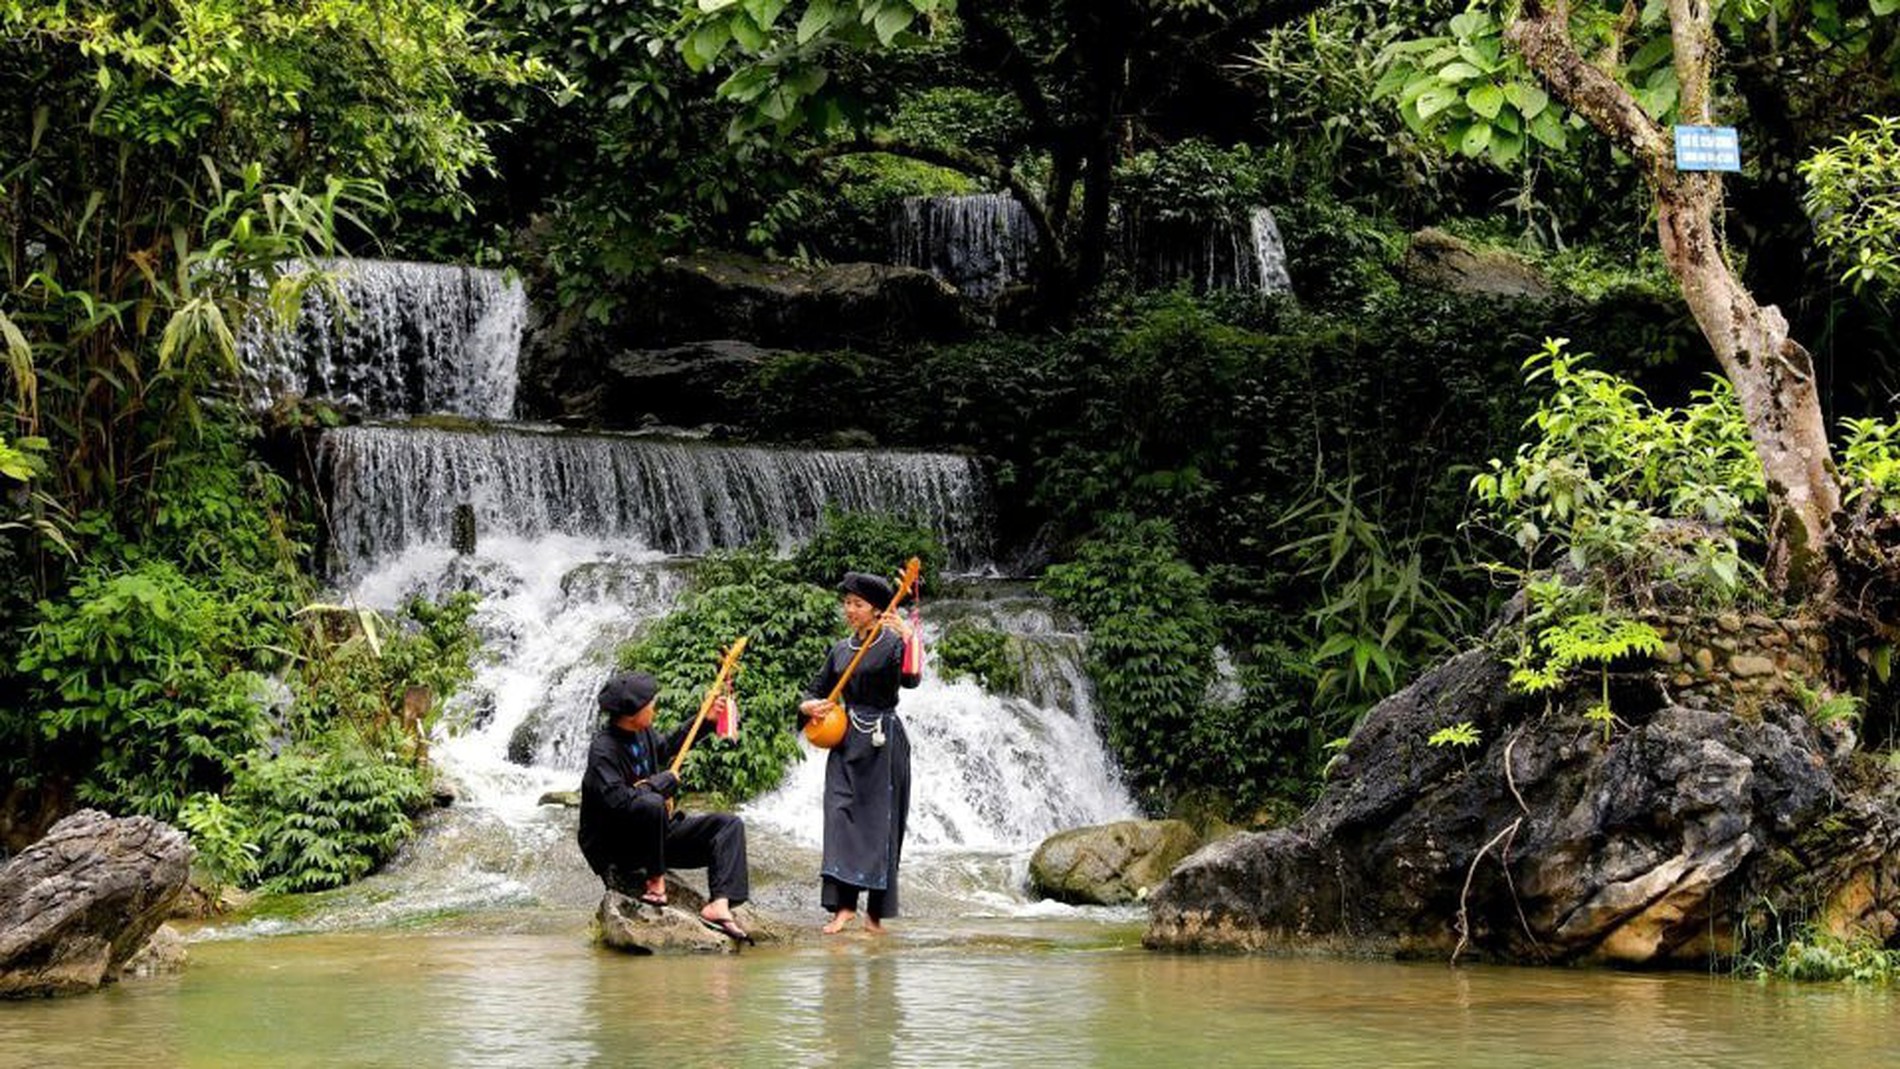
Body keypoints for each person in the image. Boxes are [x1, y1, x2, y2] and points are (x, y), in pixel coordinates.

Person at [578, 670, 752, 942]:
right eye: (650, 704)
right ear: (632, 713)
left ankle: (720, 903)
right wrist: (660, 784)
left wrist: (704, 722)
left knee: (728, 826)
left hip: (654, 836)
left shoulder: (642, 731)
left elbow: (666, 747)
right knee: (651, 802)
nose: (654, 707)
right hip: (618, 846)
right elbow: (619, 802)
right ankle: (655, 884)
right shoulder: (603, 750)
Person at [798, 571, 922, 934]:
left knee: (881, 823)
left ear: (877, 610)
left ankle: (875, 915)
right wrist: (808, 708)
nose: (849, 609)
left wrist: (909, 637)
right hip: (846, 740)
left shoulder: (893, 643)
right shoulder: (840, 649)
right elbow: (814, 690)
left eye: (858, 604)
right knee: (838, 816)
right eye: (847, 603)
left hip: (883, 741)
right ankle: (843, 907)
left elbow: (912, 680)